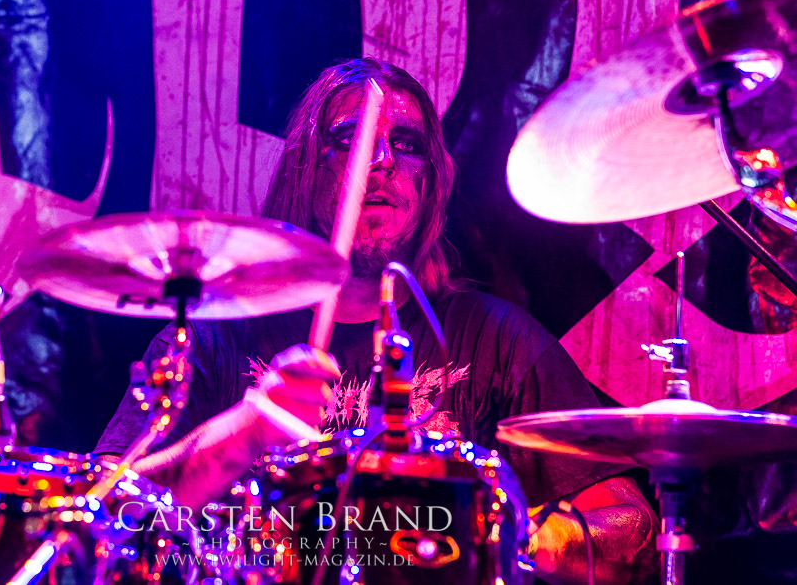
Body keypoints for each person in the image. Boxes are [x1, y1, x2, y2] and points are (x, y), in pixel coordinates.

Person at [96, 58, 656, 584]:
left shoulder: (497, 341)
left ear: (430, 183)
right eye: (348, 139)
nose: (381, 159)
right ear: (304, 170)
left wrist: (504, 535)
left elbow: (631, 524)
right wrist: (242, 433)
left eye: (407, 145)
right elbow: (98, 518)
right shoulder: (216, 338)